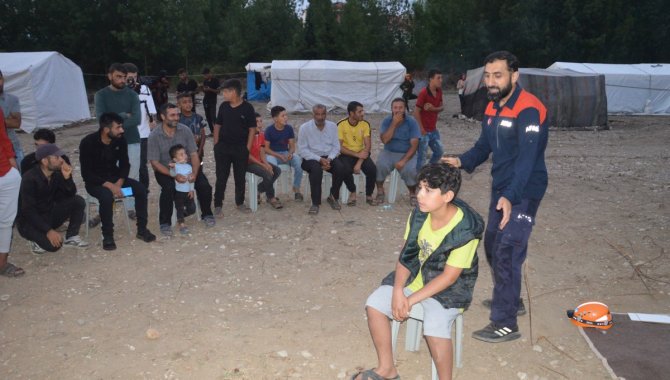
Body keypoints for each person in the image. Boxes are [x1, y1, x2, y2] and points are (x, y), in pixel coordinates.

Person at [442, 51, 549, 343]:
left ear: (515, 75)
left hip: (524, 191)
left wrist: (512, 196)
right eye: (487, 76)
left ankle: (505, 323)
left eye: (497, 75)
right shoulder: (492, 108)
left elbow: (527, 160)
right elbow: (482, 147)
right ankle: (511, 298)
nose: (490, 81)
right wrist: (461, 161)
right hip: (502, 188)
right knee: (492, 243)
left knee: (507, 250)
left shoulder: (529, 108)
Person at [354, 163, 484, 380]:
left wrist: (410, 299)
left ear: (447, 196)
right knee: (375, 304)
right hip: (417, 277)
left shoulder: (466, 230)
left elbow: (450, 277)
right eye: (420, 187)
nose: (419, 195)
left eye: (428, 190)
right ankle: (387, 369)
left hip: (450, 289)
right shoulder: (420, 214)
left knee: (435, 327)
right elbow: (407, 255)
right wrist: (398, 290)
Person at [79, 112, 156, 251]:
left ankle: (142, 229)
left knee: (140, 190)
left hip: (117, 181)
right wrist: (110, 186)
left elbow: (125, 165)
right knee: (107, 197)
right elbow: (87, 174)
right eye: (118, 127)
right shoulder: (88, 143)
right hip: (96, 184)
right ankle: (107, 236)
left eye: (122, 127)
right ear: (106, 129)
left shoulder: (120, 140)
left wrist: (119, 183)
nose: (122, 130)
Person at [148, 103, 216, 236]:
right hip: (166, 170)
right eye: (172, 115)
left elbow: (194, 154)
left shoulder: (185, 130)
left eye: (177, 114)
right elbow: (155, 162)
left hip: (187, 167)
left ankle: (207, 214)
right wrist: (174, 175)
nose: (176, 118)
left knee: (204, 186)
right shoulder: (154, 136)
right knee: (168, 189)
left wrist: (194, 173)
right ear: (162, 117)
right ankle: (165, 223)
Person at [17, 144, 89, 253]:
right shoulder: (30, 178)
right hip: (30, 222)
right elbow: (28, 211)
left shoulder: (56, 175)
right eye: (56, 157)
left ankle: (71, 236)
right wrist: (48, 231)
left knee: (78, 201)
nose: (61, 160)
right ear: (45, 161)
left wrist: (67, 178)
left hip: (48, 215)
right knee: (54, 247)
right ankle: (34, 240)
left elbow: (70, 194)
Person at [94, 63, 142, 220]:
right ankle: (107, 206)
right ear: (110, 76)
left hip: (132, 141)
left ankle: (130, 207)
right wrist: (123, 115)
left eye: (124, 77)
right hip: (108, 143)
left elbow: (137, 118)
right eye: (118, 77)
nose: (122, 80)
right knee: (107, 175)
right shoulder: (101, 95)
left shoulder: (132, 95)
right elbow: (102, 119)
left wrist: (114, 122)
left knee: (132, 175)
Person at [212, 79, 257, 215]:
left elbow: (252, 129)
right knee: (221, 177)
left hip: (240, 148)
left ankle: (240, 202)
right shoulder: (224, 106)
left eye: (225, 91)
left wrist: (247, 149)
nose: (223, 94)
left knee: (240, 177)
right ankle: (218, 204)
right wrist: (216, 144)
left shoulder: (248, 108)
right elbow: (218, 125)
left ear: (234, 92)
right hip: (223, 148)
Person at [297, 104, 345, 215]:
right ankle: (315, 202)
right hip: (310, 158)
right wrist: (319, 160)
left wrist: (329, 159)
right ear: (313, 114)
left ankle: (333, 196)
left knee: (341, 167)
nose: (320, 117)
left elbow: (336, 147)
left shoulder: (332, 126)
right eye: (317, 114)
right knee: (316, 170)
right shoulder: (304, 128)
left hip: (328, 156)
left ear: (326, 114)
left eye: (323, 114)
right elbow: (302, 150)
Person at [376, 98, 421, 206]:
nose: (398, 110)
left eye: (400, 108)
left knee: (410, 170)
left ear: (405, 109)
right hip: (389, 151)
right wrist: (394, 124)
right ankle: (380, 190)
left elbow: (414, 145)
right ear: (391, 109)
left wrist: (403, 161)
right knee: (380, 166)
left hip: (407, 152)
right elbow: (385, 140)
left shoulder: (412, 122)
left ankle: (412, 193)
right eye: (395, 108)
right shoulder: (387, 121)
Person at [336, 101, 378, 206]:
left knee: (372, 169)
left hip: (362, 153)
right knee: (344, 169)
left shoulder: (365, 124)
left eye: (362, 111)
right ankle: (353, 192)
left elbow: (368, 146)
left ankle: (369, 195)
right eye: (360, 111)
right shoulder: (341, 125)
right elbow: (339, 147)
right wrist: (356, 155)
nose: (363, 113)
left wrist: (359, 162)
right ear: (351, 113)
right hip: (347, 153)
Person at [124, 63, 157, 192]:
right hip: (125, 134)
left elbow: (151, 110)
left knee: (141, 165)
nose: (132, 80)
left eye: (135, 77)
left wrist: (152, 120)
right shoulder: (118, 91)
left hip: (143, 134)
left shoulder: (144, 89)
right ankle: (128, 194)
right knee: (126, 166)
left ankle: (143, 190)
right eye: (129, 77)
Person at [0, 108, 23, 277]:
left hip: (6, 172)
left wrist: (13, 169)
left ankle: (2, 263)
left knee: (6, 222)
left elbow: (4, 138)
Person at [264, 106, 304, 202]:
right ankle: (271, 194)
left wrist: (290, 153)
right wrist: (279, 155)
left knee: (298, 162)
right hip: (272, 154)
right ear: (275, 118)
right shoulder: (269, 130)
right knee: (271, 166)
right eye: (283, 116)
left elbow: (292, 146)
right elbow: (266, 149)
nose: (286, 117)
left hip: (285, 153)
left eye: (286, 115)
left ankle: (296, 188)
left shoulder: (289, 129)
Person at [247, 114, 282, 209]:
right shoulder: (246, 136)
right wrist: (262, 165)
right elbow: (247, 155)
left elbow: (262, 152)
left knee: (277, 170)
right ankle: (271, 197)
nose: (260, 124)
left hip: (258, 161)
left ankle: (258, 190)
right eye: (256, 122)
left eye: (261, 121)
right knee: (267, 173)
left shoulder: (261, 134)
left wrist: (266, 164)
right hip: (248, 163)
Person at [414, 69, 445, 170]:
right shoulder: (424, 93)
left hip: (433, 129)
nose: (441, 80)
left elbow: (442, 107)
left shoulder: (439, 91)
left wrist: (433, 109)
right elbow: (416, 112)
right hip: (423, 131)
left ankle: (428, 169)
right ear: (431, 79)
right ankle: (419, 178)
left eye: (441, 78)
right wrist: (421, 129)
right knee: (422, 157)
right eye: (438, 78)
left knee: (439, 151)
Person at [168, 144, 196, 235]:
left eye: (185, 153)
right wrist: (172, 168)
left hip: (188, 192)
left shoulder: (189, 167)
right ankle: (182, 224)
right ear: (175, 159)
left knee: (192, 209)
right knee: (179, 207)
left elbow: (191, 180)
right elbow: (172, 174)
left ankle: (181, 215)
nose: (185, 155)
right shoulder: (175, 166)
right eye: (181, 154)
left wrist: (191, 190)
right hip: (179, 192)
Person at [0, 69, 24, 168]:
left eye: (0, 79)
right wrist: (6, 119)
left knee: (21, 177)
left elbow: (16, 123)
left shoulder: (12, 99)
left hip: (13, 146)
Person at [177, 93, 207, 160]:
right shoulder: (177, 119)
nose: (188, 104)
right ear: (179, 105)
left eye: (190, 101)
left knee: (198, 169)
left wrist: (200, 151)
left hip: (197, 151)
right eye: (184, 102)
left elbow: (203, 136)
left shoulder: (199, 118)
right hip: (181, 153)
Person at [201, 68, 220, 135]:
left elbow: (218, 91)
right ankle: (212, 131)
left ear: (209, 73)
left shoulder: (215, 80)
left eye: (205, 75)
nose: (205, 76)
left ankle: (217, 131)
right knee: (208, 117)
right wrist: (203, 89)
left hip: (212, 101)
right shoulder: (205, 81)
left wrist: (210, 89)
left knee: (213, 117)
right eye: (204, 75)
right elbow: (204, 90)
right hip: (206, 100)